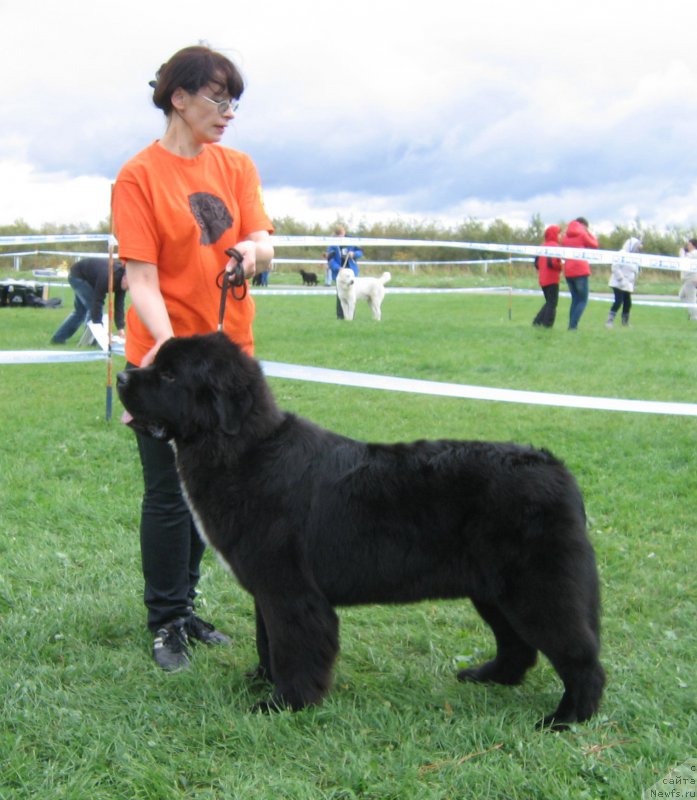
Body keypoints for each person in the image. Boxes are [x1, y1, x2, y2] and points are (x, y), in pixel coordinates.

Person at [111, 45, 274, 671]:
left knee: (213, 491)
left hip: (230, 363)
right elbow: (143, 281)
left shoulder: (236, 166)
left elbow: (261, 239)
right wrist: (168, 353)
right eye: (217, 97)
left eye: (234, 99)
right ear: (178, 97)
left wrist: (253, 254)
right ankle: (166, 620)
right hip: (164, 362)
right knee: (168, 493)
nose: (228, 112)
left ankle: (188, 604)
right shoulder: (139, 177)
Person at [50, 257, 127, 344]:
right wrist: (99, 329)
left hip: (89, 277)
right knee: (93, 308)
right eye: (129, 286)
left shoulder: (124, 283)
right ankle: (91, 341)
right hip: (78, 276)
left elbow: (119, 305)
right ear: (124, 278)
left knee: (80, 312)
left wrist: (120, 328)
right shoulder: (108, 276)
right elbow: (97, 301)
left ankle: (58, 339)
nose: (129, 289)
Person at [562, 217, 598, 331]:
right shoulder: (582, 235)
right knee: (583, 300)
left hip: (568, 271)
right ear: (583, 226)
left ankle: (571, 325)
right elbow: (595, 244)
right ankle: (573, 326)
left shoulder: (565, 237)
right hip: (580, 270)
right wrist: (588, 232)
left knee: (575, 299)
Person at [325, 224, 363, 318]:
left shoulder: (352, 240)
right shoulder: (332, 244)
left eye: (342, 235)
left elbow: (360, 252)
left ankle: (351, 316)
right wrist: (338, 268)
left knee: (351, 295)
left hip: (351, 271)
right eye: (338, 236)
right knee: (340, 296)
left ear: (344, 232)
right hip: (340, 273)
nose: (341, 237)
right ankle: (341, 317)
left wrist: (354, 254)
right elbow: (330, 259)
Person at [606, 237, 642, 328]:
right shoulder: (621, 254)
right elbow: (615, 267)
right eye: (637, 247)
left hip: (628, 285)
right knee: (618, 301)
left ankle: (625, 322)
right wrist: (621, 279)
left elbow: (635, 271)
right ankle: (609, 321)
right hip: (618, 283)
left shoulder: (635, 257)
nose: (638, 249)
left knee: (628, 303)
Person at [532, 225, 563, 328]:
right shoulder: (555, 247)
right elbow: (553, 263)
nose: (560, 236)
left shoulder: (541, 246)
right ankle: (547, 324)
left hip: (542, 279)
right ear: (554, 235)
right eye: (559, 234)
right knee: (552, 303)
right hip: (552, 279)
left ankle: (537, 321)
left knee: (549, 302)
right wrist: (561, 266)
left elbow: (536, 263)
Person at [678, 238, 697, 320]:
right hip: (687, 279)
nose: (687, 246)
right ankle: (692, 312)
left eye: (689, 244)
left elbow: (684, 262)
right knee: (682, 296)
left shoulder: (694, 254)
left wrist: (681, 253)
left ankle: (694, 317)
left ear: (693, 245)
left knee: (691, 299)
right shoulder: (691, 254)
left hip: (691, 279)